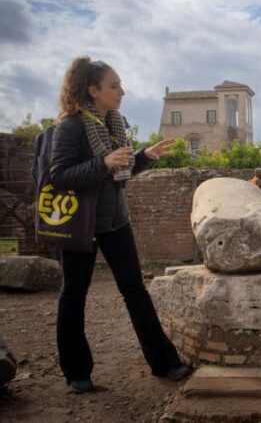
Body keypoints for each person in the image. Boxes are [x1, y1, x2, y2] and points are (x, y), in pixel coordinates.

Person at [50, 57, 192, 394]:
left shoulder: (114, 123)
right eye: (114, 86)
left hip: (115, 222)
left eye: (120, 85)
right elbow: (59, 177)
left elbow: (118, 173)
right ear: (93, 90)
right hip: (81, 226)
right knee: (73, 296)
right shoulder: (70, 127)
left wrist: (144, 156)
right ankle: (77, 374)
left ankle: (165, 362)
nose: (121, 92)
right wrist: (102, 163)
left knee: (135, 291)